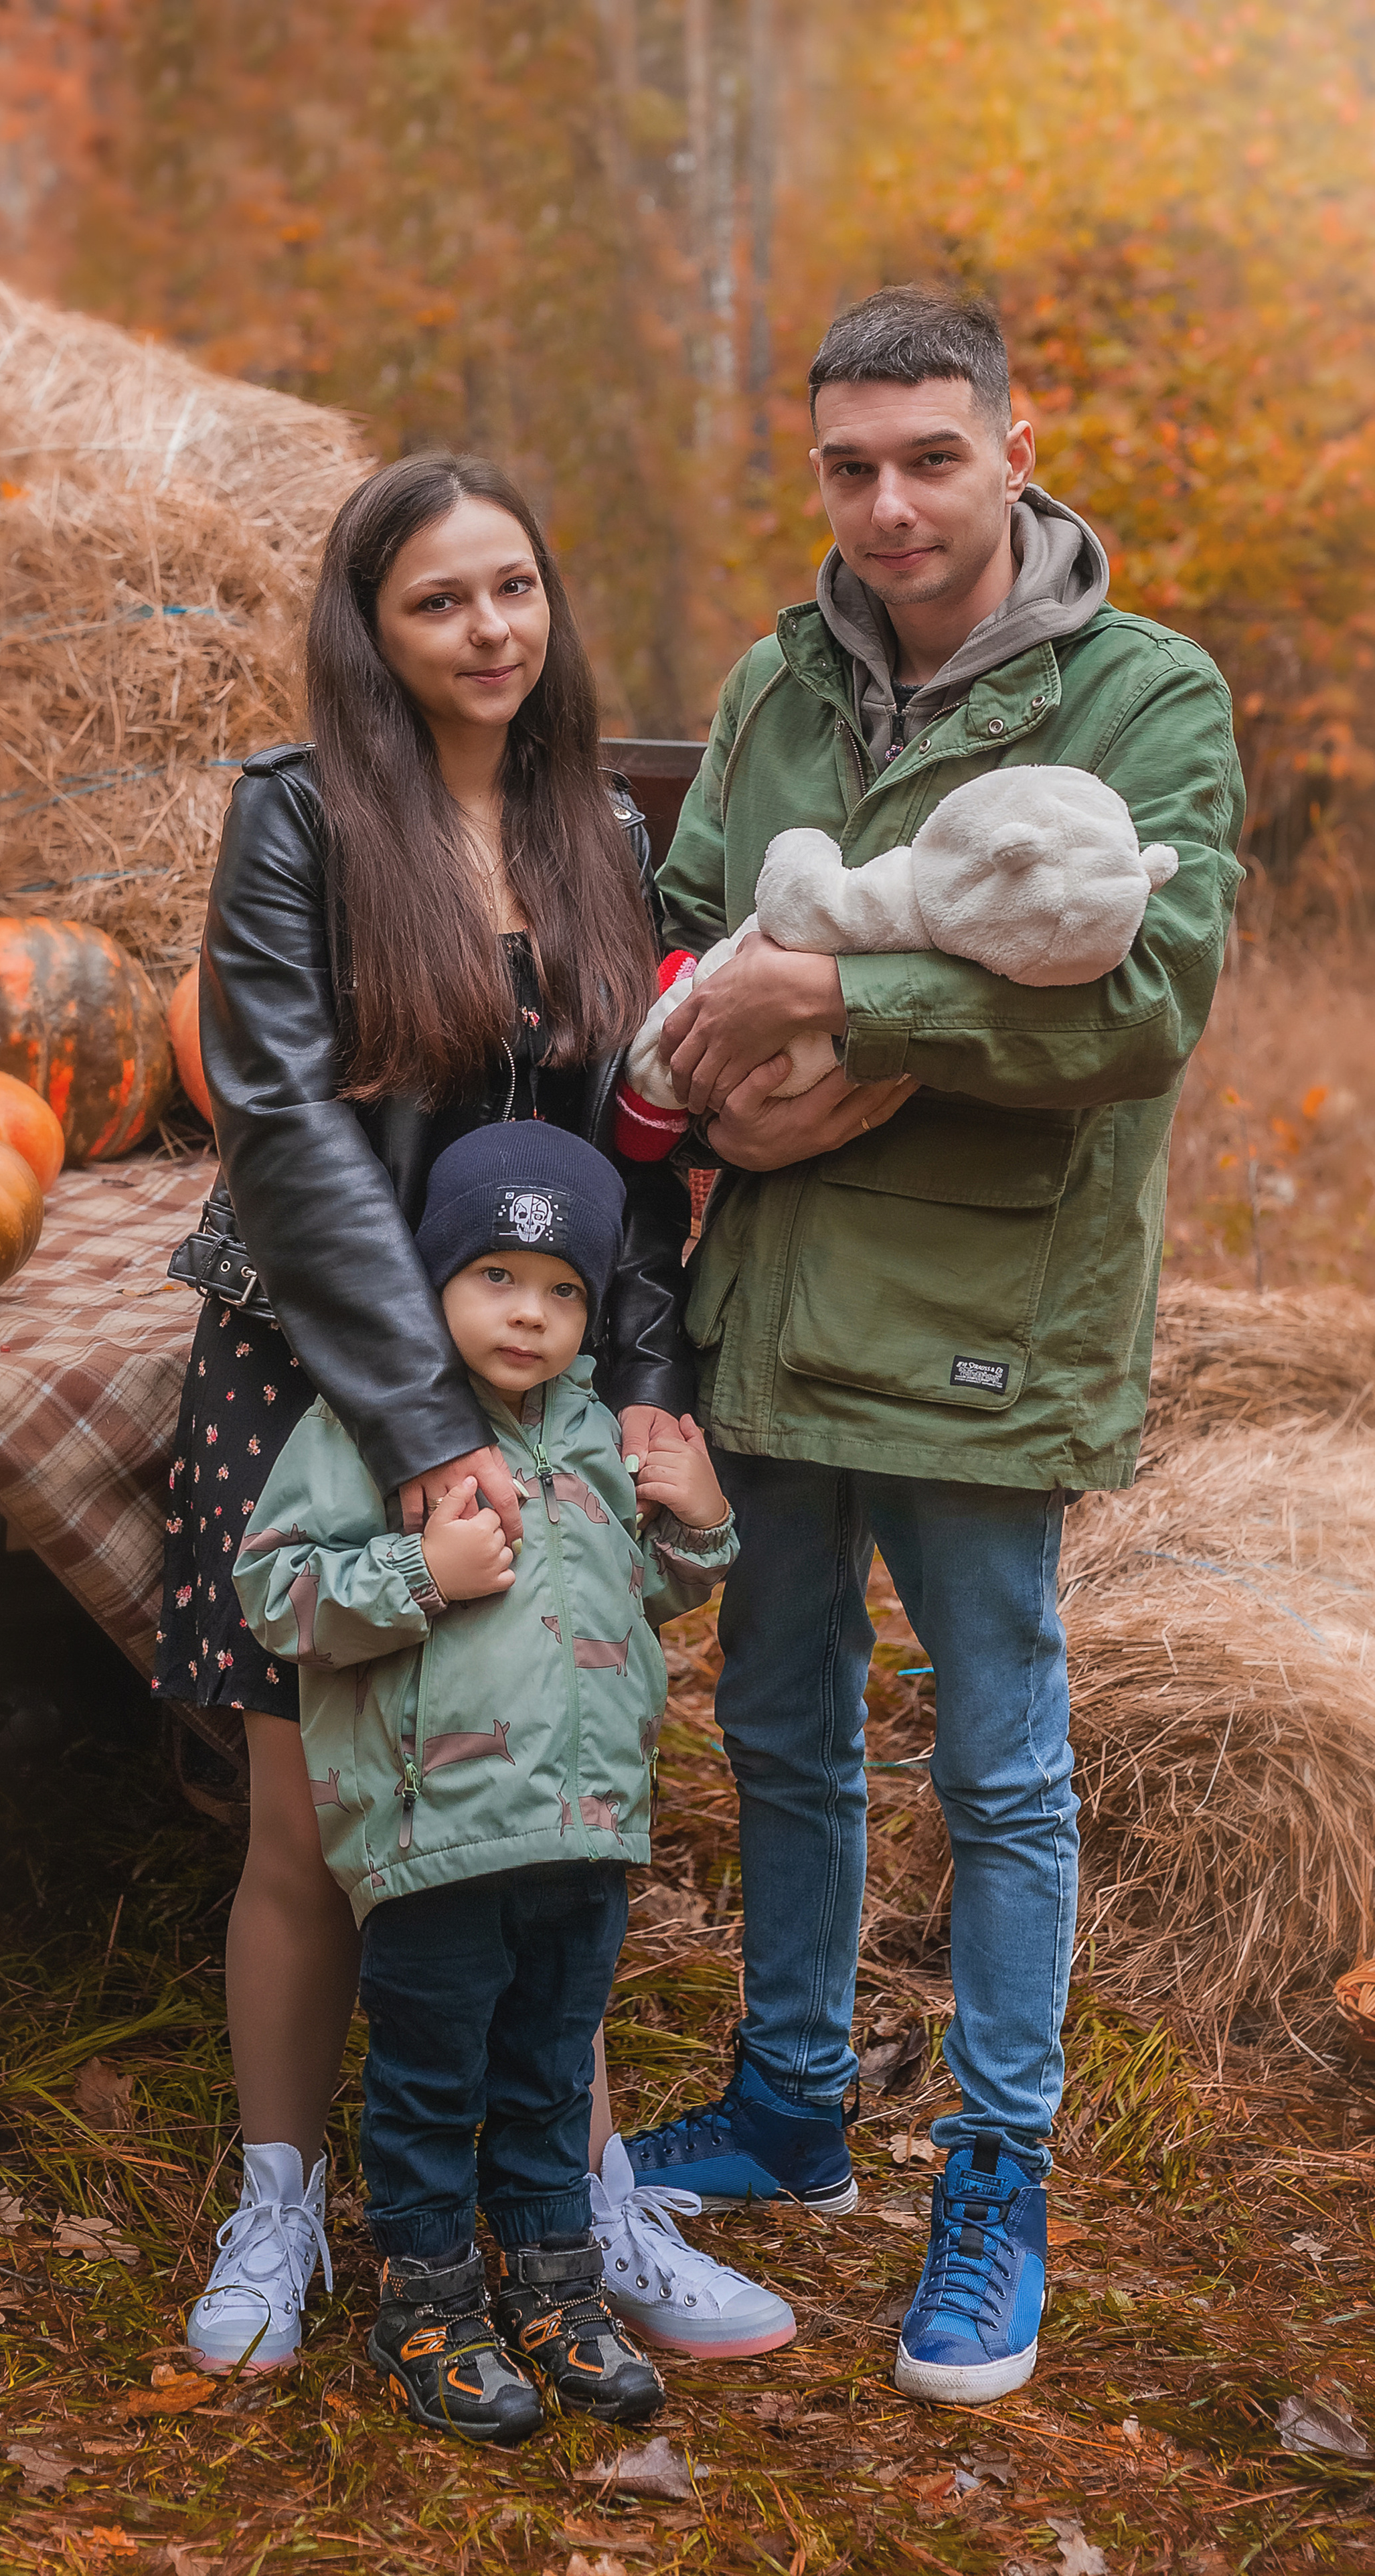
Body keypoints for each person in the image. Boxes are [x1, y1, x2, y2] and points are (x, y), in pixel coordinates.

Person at [631, 286, 1244, 2406]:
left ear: (1012, 446)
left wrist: (844, 1011)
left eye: (930, 457)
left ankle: (998, 2174)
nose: (887, 504)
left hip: (991, 1306)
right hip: (776, 1290)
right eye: (849, 465)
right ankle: (792, 2103)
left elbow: (1142, 1003)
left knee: (998, 1770)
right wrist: (704, 1067)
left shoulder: (1145, 697)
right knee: (782, 1729)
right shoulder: (776, 678)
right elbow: (701, 927)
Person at [155, 451, 792, 2373]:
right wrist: (425, 1423)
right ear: (374, 628)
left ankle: (577, 2206)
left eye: (513, 587)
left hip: (541, 1389)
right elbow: (283, 1134)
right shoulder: (298, 821)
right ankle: (282, 2214)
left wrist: (653, 1397)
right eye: (439, 600)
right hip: (317, 1371)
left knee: (541, 1815)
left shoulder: (598, 824)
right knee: (311, 1828)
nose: (489, 629)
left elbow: (629, 1160)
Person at [233, 1125, 740, 2442]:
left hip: (583, 1832)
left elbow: (643, 1596)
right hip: (437, 1830)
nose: (530, 1311)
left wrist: (696, 1518)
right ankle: (425, 2299)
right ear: (431, 1285)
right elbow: (274, 1592)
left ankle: (551, 2286)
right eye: (496, 1276)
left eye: (562, 1288)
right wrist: (420, 1575)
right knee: (429, 2078)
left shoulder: (588, 1431)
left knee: (547, 2071)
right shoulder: (364, 1429)